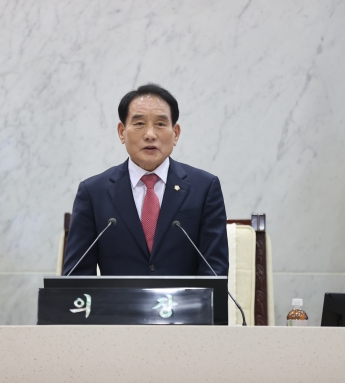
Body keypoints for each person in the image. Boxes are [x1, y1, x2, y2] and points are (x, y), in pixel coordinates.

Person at [62, 84, 228, 276]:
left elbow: (214, 271)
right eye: (139, 123)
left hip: (185, 297)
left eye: (160, 124)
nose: (150, 135)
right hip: (116, 298)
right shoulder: (93, 193)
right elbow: (77, 277)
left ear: (175, 133)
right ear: (122, 132)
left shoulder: (204, 188)